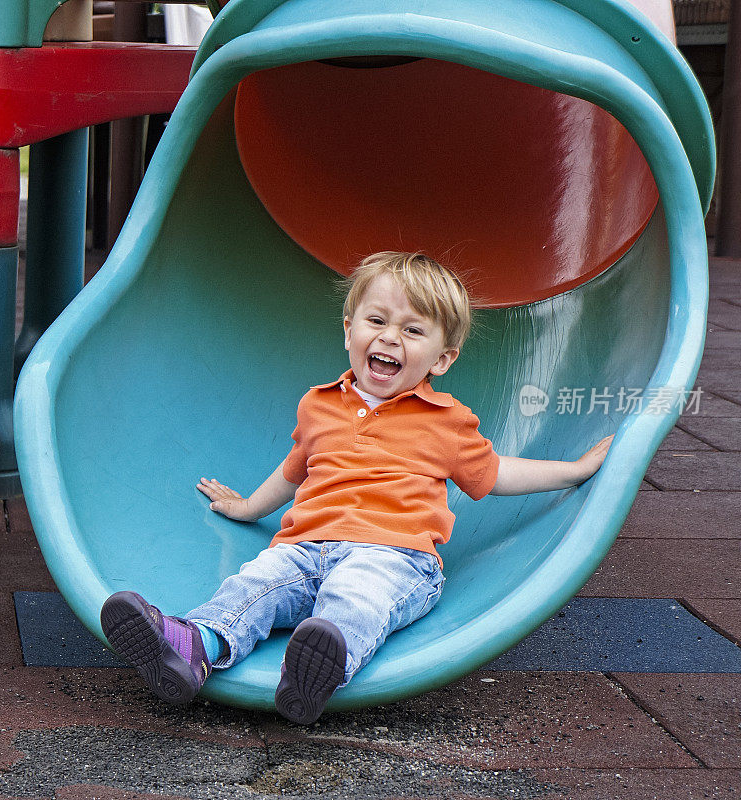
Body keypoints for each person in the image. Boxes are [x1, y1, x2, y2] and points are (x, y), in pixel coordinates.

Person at [101, 251, 612, 724]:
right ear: (349, 332)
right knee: (254, 585)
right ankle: (196, 645)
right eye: (377, 321)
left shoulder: (447, 421)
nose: (390, 338)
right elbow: (294, 470)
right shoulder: (319, 405)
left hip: (396, 554)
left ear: (441, 359)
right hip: (306, 546)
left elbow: (496, 473)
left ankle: (318, 669)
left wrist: (573, 471)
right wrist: (248, 507)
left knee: (356, 596)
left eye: (413, 330)